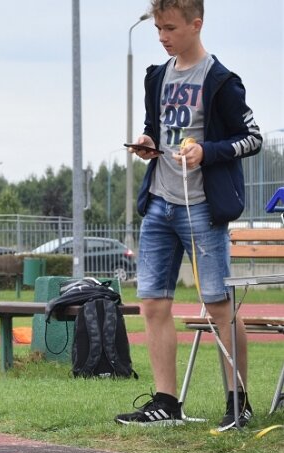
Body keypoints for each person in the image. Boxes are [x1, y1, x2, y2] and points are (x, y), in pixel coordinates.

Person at [115, 0, 262, 431]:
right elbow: (155, 126)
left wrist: (207, 152)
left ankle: (239, 402)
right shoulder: (157, 76)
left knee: (218, 303)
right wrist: (147, 142)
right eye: (158, 28)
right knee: (153, 302)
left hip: (203, 207)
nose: (162, 36)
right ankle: (166, 401)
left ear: (197, 25)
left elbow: (251, 138)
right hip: (159, 203)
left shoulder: (221, 80)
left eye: (171, 28)